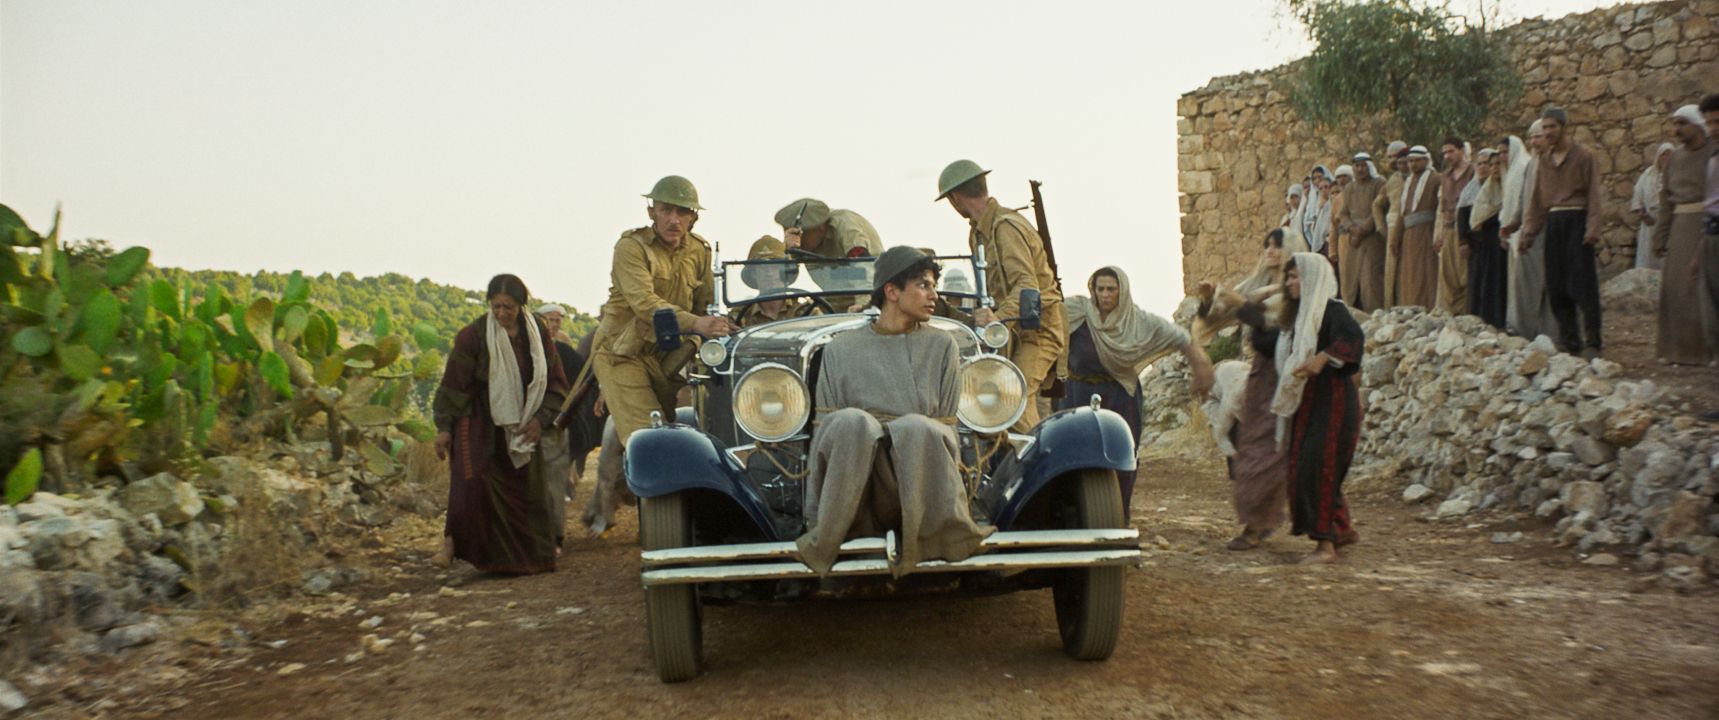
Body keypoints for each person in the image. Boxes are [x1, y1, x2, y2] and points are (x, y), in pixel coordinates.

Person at [795, 246, 993, 574]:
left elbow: (947, 428)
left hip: (919, 478)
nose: (934, 295)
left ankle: (935, 539)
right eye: (923, 285)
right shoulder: (841, 348)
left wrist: (907, 429)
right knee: (851, 422)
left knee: (918, 427)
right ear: (892, 292)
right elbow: (824, 434)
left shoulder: (942, 345)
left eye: (933, 286)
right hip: (858, 487)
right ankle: (829, 538)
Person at [431, 274, 570, 573]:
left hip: (523, 416)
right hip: (478, 417)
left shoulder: (537, 333)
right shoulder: (473, 335)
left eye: (508, 307)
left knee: (526, 486)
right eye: (496, 307)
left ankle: (526, 559)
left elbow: (555, 381)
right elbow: (454, 384)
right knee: (474, 480)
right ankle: (456, 546)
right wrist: (444, 428)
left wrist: (539, 419)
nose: (502, 313)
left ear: (521, 306)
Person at [590, 175, 733, 451]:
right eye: (666, 210)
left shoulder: (699, 251)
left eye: (682, 212)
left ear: (693, 218)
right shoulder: (631, 247)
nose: (674, 219)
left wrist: (724, 324)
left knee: (670, 432)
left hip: (667, 359)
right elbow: (645, 303)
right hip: (623, 354)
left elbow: (706, 306)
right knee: (651, 440)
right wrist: (697, 324)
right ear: (651, 212)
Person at [1059, 266, 1214, 516]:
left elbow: (1180, 337)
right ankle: (1075, 516)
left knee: (1121, 454)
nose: (1105, 295)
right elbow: (1046, 319)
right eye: (1100, 289)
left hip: (1119, 395)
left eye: (1111, 289)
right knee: (1072, 454)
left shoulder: (1138, 321)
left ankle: (1118, 515)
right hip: (1077, 395)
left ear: (1122, 291)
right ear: (1093, 291)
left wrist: (1200, 363)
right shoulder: (1077, 311)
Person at [937, 160, 1066, 432]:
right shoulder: (979, 233)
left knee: (1012, 401)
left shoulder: (1005, 227)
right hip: (1011, 330)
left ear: (955, 198)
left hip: (1037, 329)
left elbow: (1026, 286)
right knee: (990, 404)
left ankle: (1041, 459)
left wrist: (997, 317)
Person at [1270, 253, 1363, 565]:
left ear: (1312, 278)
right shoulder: (1298, 318)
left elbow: (1353, 339)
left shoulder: (1332, 310)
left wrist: (1322, 358)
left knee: (1318, 468)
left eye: (1295, 276)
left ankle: (1326, 546)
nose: (1289, 283)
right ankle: (1342, 529)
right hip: (1308, 403)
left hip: (1333, 403)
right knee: (1304, 468)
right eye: (1288, 277)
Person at [1219, 229, 1307, 550]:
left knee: (1265, 452)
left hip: (1280, 377)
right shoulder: (1259, 286)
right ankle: (1260, 520)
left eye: (1277, 246)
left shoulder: (1294, 291)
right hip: (1259, 375)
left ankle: (1256, 527)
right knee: (1247, 444)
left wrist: (1243, 306)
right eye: (1267, 245)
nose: (1270, 251)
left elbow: (1274, 328)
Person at [1519, 106, 1605, 357]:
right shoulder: (1544, 161)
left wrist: (1592, 228)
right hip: (1554, 223)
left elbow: (1595, 194)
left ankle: (1593, 342)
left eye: (1552, 127)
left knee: (1583, 284)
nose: (1548, 132)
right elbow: (1537, 201)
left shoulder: (1584, 156)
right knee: (1556, 285)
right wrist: (1528, 233)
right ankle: (1570, 341)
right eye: (1544, 127)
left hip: (1577, 220)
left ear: (1564, 127)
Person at [1653, 105, 1713, 366]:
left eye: (1682, 123)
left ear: (1698, 125)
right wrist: (1660, 234)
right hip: (1680, 228)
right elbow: (1666, 200)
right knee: (1677, 288)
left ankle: (1706, 351)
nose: (1676, 129)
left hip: (1707, 224)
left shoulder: (1713, 153)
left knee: (1703, 288)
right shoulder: (1675, 159)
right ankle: (1676, 350)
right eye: (1675, 124)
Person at [1501, 122, 1557, 340]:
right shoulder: (1531, 165)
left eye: (1538, 137)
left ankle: (1551, 334)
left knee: (1549, 284)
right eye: (1531, 137)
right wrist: (1514, 224)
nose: (1534, 142)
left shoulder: (1554, 163)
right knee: (1525, 284)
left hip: (1547, 232)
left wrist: (1529, 228)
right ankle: (1525, 333)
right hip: (1528, 233)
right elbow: (1524, 200)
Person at [535, 303, 582, 548]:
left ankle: (555, 538)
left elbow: (578, 381)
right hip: (523, 424)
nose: (553, 325)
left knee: (554, 481)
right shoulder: (522, 349)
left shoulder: (562, 350)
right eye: (549, 320)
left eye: (557, 320)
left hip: (555, 423)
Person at [1394, 146, 1441, 309]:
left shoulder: (1436, 179)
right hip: (1409, 236)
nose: (1413, 164)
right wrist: (1395, 238)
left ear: (1426, 160)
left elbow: (1440, 210)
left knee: (1427, 272)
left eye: (1417, 160)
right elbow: (1402, 213)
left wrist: (1438, 234)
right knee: (1410, 273)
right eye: (1410, 161)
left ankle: (1428, 307)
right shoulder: (1409, 182)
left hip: (1427, 233)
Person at [732, 236, 815, 327]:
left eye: (775, 266)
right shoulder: (740, 316)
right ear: (753, 274)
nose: (769, 273)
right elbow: (725, 329)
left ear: (785, 271)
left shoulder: (806, 313)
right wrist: (723, 327)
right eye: (762, 267)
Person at [1467, 149, 1509, 328]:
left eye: (1497, 164)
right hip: (1488, 241)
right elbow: (1477, 216)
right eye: (1491, 165)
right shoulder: (1488, 188)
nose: (1493, 168)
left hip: (1505, 241)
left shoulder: (1510, 186)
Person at [1341, 153, 1385, 310]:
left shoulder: (1379, 184)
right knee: (1352, 279)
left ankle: (1374, 313)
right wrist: (1352, 228)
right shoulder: (1349, 188)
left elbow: (1378, 210)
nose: (1360, 169)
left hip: (1372, 239)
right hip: (1354, 240)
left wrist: (1363, 230)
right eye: (1357, 166)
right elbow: (1343, 214)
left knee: (1371, 279)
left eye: (1363, 165)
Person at [1437, 137, 1474, 315]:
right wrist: (1441, 232)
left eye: (1451, 151)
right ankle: (1453, 316)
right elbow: (1443, 207)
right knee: (1449, 275)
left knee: (1465, 274)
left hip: (1466, 229)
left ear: (1461, 150)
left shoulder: (1473, 172)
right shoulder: (1446, 176)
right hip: (1449, 229)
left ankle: (1467, 314)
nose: (1447, 156)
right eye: (1445, 152)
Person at [1374, 141, 1409, 307]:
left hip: (1412, 228)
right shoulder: (1392, 181)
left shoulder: (1418, 176)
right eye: (1390, 157)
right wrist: (1382, 227)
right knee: (1391, 270)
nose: (1393, 161)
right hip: (1393, 227)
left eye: (1396, 156)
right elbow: (1377, 205)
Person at [1633, 142, 1675, 270]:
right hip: (1650, 223)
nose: (1666, 158)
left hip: (1669, 223)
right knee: (1648, 259)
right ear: (1658, 157)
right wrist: (1643, 214)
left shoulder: (1677, 174)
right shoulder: (1648, 174)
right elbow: (1637, 196)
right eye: (1663, 155)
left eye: (1669, 154)